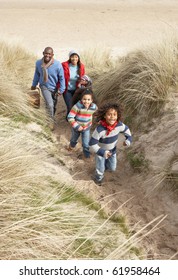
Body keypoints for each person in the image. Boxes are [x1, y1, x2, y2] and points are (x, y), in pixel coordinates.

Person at [89, 102, 132, 185]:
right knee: (100, 169)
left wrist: (128, 140)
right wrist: (103, 152)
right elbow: (92, 144)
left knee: (112, 168)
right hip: (101, 152)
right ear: (104, 116)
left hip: (112, 151)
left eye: (114, 114)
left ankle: (104, 168)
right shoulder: (99, 130)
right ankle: (98, 179)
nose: (112, 117)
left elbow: (127, 131)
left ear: (118, 116)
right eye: (109, 114)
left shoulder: (119, 125)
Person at [31, 47, 65, 126]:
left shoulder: (57, 64)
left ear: (52, 55)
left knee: (53, 105)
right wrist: (34, 84)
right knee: (50, 104)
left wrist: (61, 89)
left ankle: (49, 117)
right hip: (44, 86)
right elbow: (37, 74)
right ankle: (50, 122)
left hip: (55, 88)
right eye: (46, 53)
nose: (47, 55)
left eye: (49, 54)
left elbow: (61, 78)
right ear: (43, 53)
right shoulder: (38, 63)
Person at [67, 88, 97, 159]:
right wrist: (77, 126)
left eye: (88, 100)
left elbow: (97, 114)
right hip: (76, 128)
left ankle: (87, 156)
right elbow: (70, 117)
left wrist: (98, 119)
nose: (86, 101)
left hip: (86, 128)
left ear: (91, 100)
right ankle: (70, 148)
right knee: (73, 140)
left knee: (86, 144)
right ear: (81, 99)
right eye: (84, 99)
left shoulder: (94, 107)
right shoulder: (77, 106)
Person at [62, 50, 85, 118]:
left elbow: (83, 77)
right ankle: (70, 118)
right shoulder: (64, 65)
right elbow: (60, 77)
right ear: (69, 57)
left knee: (76, 105)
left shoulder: (81, 66)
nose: (74, 59)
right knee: (70, 106)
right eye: (72, 57)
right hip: (67, 90)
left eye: (76, 57)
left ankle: (71, 117)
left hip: (77, 90)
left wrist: (82, 82)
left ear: (78, 58)